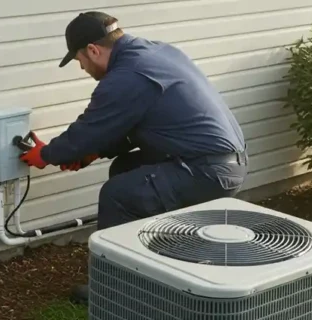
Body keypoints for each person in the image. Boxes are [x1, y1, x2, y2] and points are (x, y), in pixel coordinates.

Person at [18, 11, 249, 304]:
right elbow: (135, 125)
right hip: (219, 162)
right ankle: (152, 267)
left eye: (80, 61)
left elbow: (90, 128)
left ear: (93, 50)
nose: (83, 69)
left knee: (118, 195)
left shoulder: (128, 76)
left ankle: (113, 293)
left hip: (207, 171)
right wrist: (94, 152)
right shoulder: (158, 53)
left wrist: (46, 154)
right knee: (126, 169)